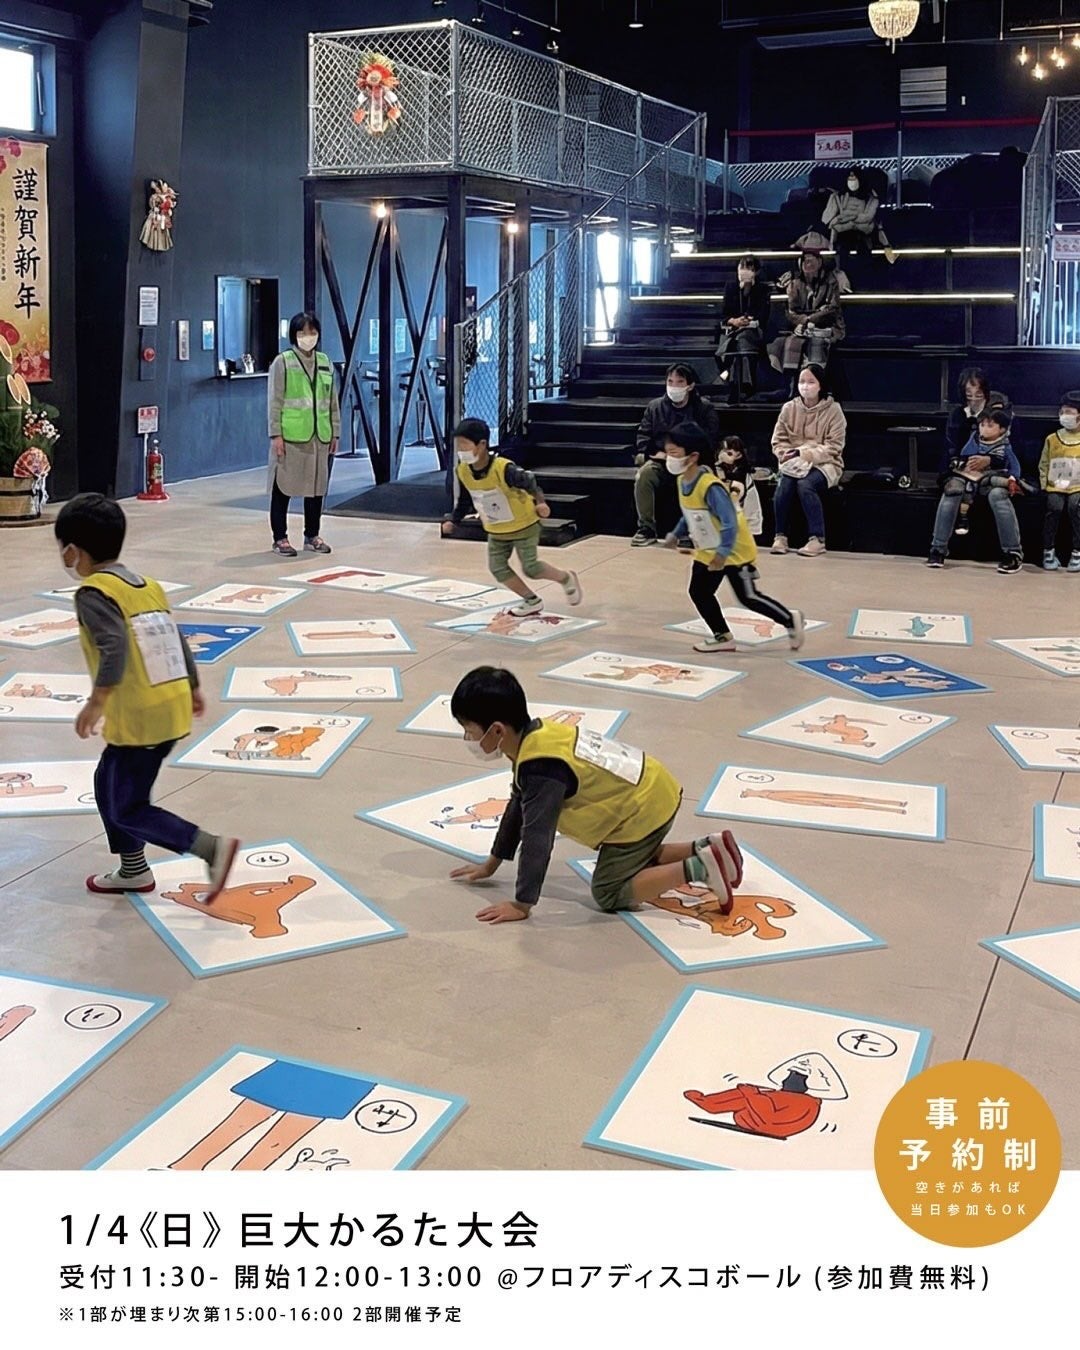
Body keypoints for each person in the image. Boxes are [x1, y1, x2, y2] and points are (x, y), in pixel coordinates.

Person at [445, 666, 744, 923]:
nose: (467, 738)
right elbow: (518, 805)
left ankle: (700, 867)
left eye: (469, 730)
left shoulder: (540, 769)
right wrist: (492, 863)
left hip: (642, 809)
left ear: (497, 731)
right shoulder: (538, 738)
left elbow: (538, 837)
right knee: (628, 857)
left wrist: (522, 904)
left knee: (609, 891)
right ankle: (707, 847)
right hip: (653, 790)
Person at [55, 493, 239, 897]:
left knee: (128, 807)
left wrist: (96, 702)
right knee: (108, 781)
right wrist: (192, 685)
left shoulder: (93, 593)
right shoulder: (146, 585)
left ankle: (210, 848)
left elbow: (114, 646)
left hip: (140, 718)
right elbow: (175, 637)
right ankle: (134, 869)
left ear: (72, 551)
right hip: (168, 706)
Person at [660, 423, 803, 654]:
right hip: (708, 549)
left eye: (674, 453)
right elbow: (691, 513)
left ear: (693, 456)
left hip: (734, 550)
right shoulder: (681, 481)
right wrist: (675, 534)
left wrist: (722, 554)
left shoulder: (710, 486)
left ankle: (789, 619)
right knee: (699, 592)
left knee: (748, 597)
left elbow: (729, 522)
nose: (669, 458)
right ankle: (723, 636)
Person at [441, 418, 580, 615]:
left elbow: (530, 482)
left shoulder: (504, 468)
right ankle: (531, 600)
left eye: (465, 444)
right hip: (496, 529)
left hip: (524, 525)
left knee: (531, 568)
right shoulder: (462, 471)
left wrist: (540, 502)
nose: (461, 450)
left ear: (482, 444)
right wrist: (452, 520)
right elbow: (465, 499)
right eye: (458, 445)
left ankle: (565, 578)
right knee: (498, 568)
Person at [267, 312, 340, 557]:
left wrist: (335, 432)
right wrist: (276, 434)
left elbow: (332, 401)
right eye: (302, 332)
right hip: (291, 437)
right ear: (294, 335)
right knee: (283, 487)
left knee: (316, 488)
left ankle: (312, 535)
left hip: (320, 436)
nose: (308, 337)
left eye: (312, 332)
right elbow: (275, 401)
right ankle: (280, 538)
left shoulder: (325, 362)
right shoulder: (283, 362)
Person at [632, 363, 720, 546]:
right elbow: (643, 438)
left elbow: (710, 440)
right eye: (670, 381)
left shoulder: (704, 408)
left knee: (701, 477)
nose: (674, 386)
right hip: (663, 460)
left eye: (680, 382)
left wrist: (686, 455)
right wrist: (658, 453)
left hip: (693, 461)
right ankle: (647, 529)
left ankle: (693, 531)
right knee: (644, 475)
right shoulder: (655, 407)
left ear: (690, 385)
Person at [926, 408, 1024, 573]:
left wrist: (993, 463)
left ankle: (1013, 553)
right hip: (969, 478)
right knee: (953, 491)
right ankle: (938, 549)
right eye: (982, 425)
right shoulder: (974, 438)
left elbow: (1015, 464)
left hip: (994, 479)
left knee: (998, 495)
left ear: (1002, 429)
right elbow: (962, 454)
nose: (984, 429)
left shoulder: (1007, 443)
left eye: (990, 426)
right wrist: (962, 463)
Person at [769, 364, 846, 558]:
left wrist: (805, 454)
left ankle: (817, 539)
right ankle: (780, 536)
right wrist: (784, 454)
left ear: (821, 385)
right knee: (784, 484)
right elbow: (778, 441)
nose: (805, 386)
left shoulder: (834, 410)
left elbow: (834, 447)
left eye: (811, 382)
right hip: (794, 462)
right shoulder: (789, 408)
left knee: (805, 484)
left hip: (826, 463)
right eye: (802, 381)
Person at [767, 250, 844, 393]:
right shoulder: (795, 283)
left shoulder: (830, 281)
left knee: (816, 342)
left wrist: (810, 319)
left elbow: (832, 309)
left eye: (810, 260)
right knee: (788, 343)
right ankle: (792, 387)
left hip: (825, 326)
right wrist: (802, 323)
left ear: (819, 262)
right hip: (802, 327)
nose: (807, 264)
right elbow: (791, 311)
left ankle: (818, 388)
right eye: (804, 261)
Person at [714, 255, 771, 403]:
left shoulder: (762, 289)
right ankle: (744, 384)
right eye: (742, 267)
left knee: (742, 338)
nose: (744, 271)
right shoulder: (730, 287)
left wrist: (748, 321)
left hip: (754, 330)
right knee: (739, 340)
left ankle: (732, 381)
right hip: (733, 329)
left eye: (749, 268)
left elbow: (763, 315)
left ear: (755, 272)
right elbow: (724, 314)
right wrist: (734, 321)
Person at [1038, 390, 1080, 571]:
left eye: (1069, 412)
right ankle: (1048, 551)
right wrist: (1044, 484)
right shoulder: (1052, 439)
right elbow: (1044, 462)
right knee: (1054, 509)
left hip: (1077, 487)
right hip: (1055, 485)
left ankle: (1077, 552)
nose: (1064, 416)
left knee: (1075, 508)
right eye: (1062, 412)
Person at [822, 168, 896, 267]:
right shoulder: (838, 197)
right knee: (842, 253)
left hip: (863, 233)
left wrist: (849, 218)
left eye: (854, 178)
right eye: (850, 179)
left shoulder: (870, 198)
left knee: (864, 254)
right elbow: (827, 219)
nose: (852, 182)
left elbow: (868, 217)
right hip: (843, 233)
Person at [943, 368, 1011, 468]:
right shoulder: (957, 415)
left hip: (994, 469)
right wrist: (956, 461)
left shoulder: (999, 414)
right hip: (962, 468)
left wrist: (990, 460)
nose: (974, 400)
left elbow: (1010, 452)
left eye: (978, 394)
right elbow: (951, 447)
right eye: (969, 395)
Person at [716, 435, 763, 536]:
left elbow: (738, 491)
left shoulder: (742, 471)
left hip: (746, 517)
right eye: (723, 450)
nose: (724, 454)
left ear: (739, 454)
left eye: (729, 452)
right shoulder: (718, 467)